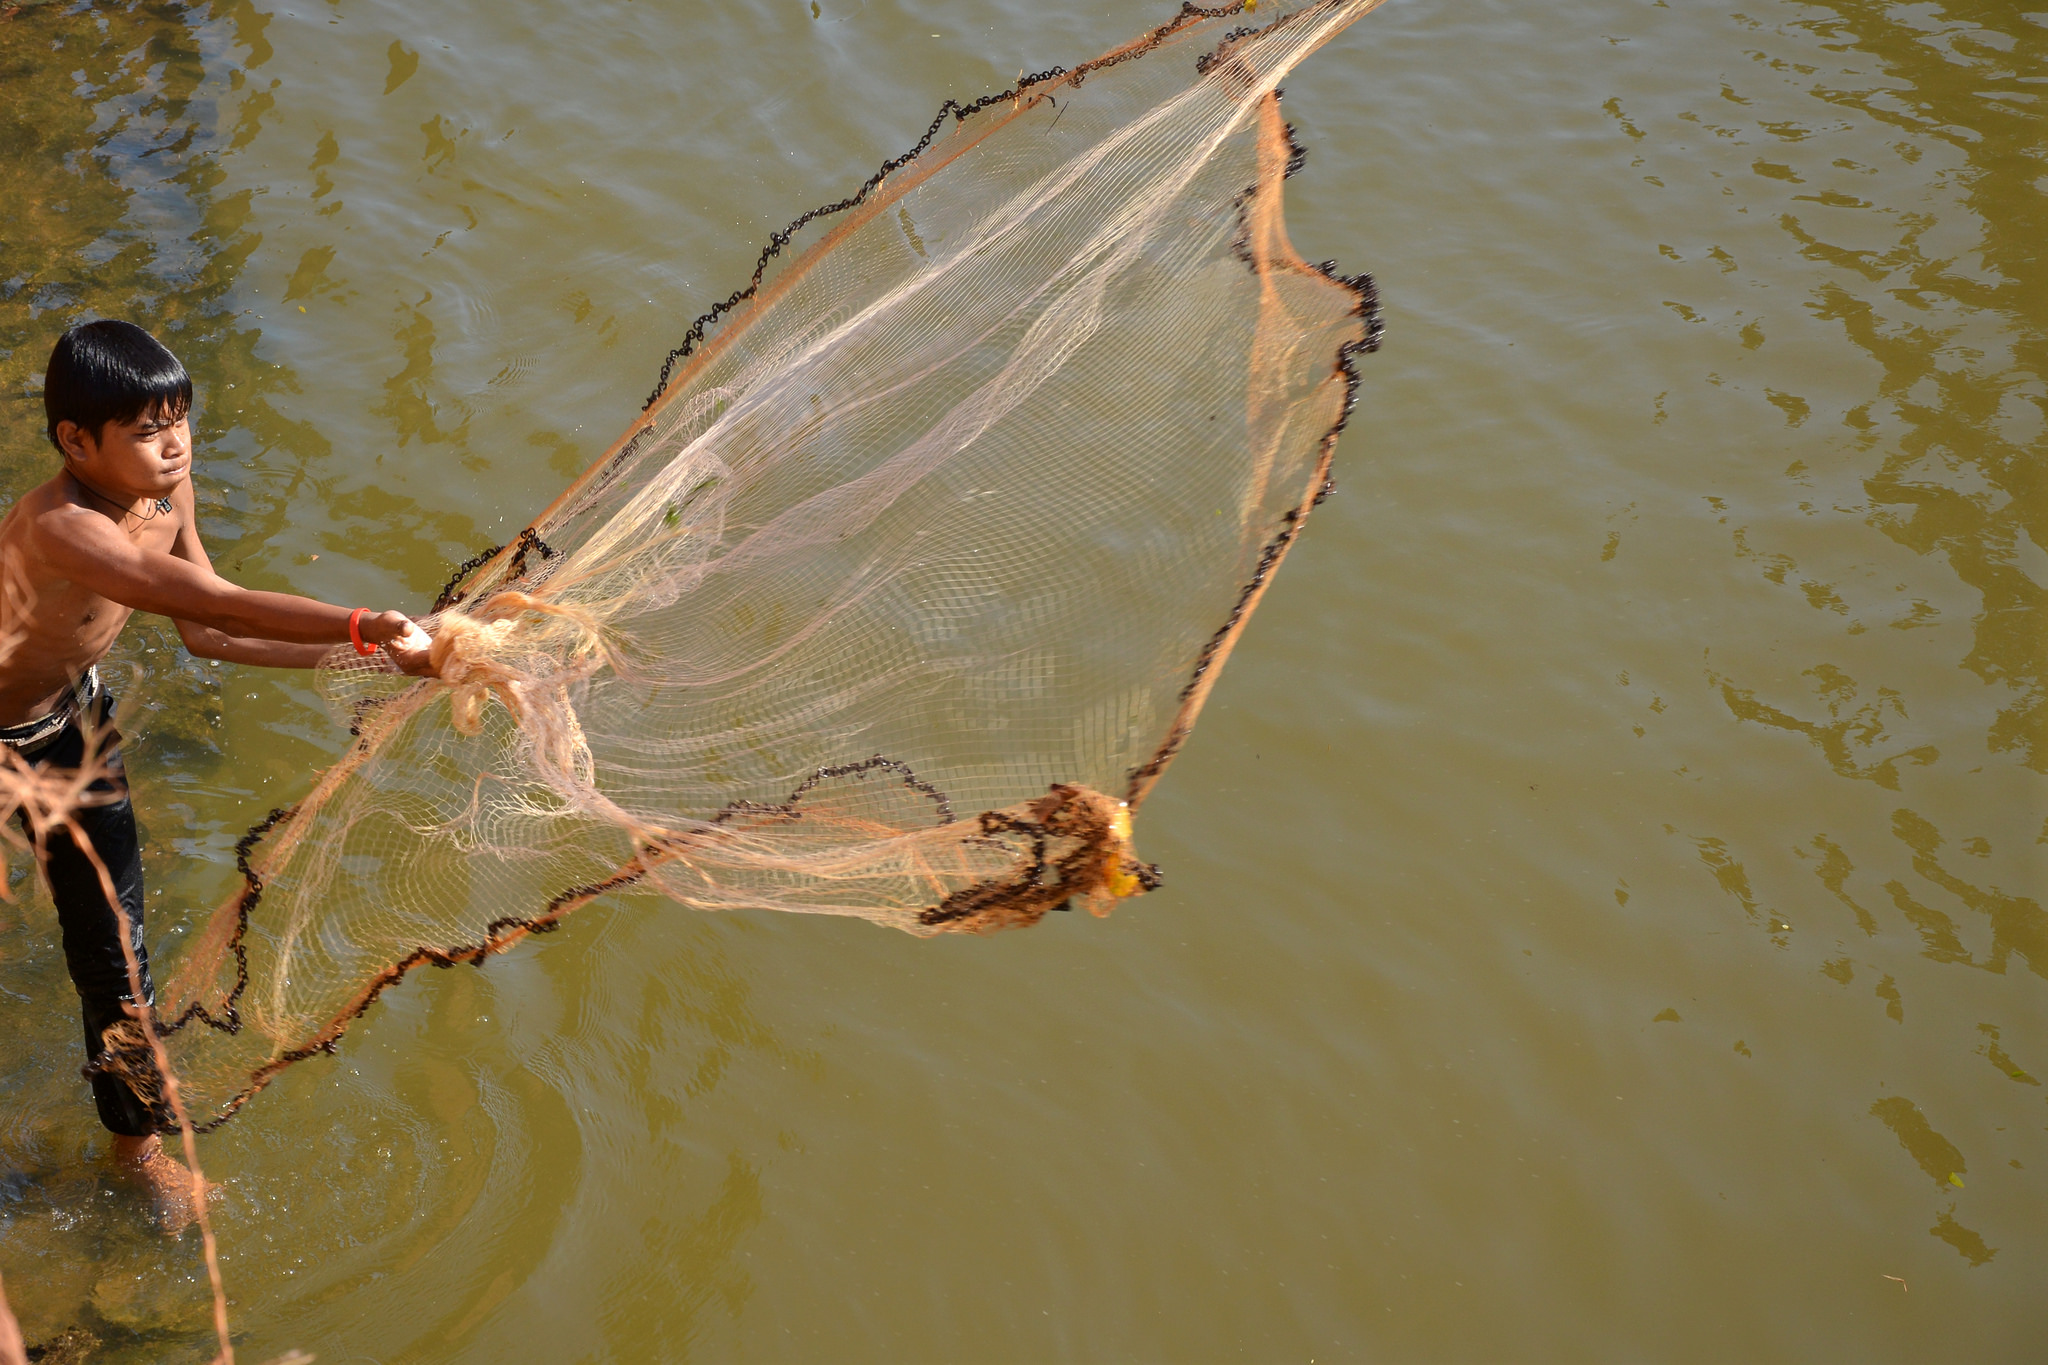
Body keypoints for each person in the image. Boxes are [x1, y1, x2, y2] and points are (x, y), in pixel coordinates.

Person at [0, 320, 436, 1229]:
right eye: (146, 430)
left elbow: (212, 636)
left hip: (67, 726)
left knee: (117, 959)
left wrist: (380, 664)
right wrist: (367, 624)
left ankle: (140, 1156)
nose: (175, 444)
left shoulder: (166, 495)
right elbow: (211, 602)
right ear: (75, 442)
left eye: (181, 421)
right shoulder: (62, 528)